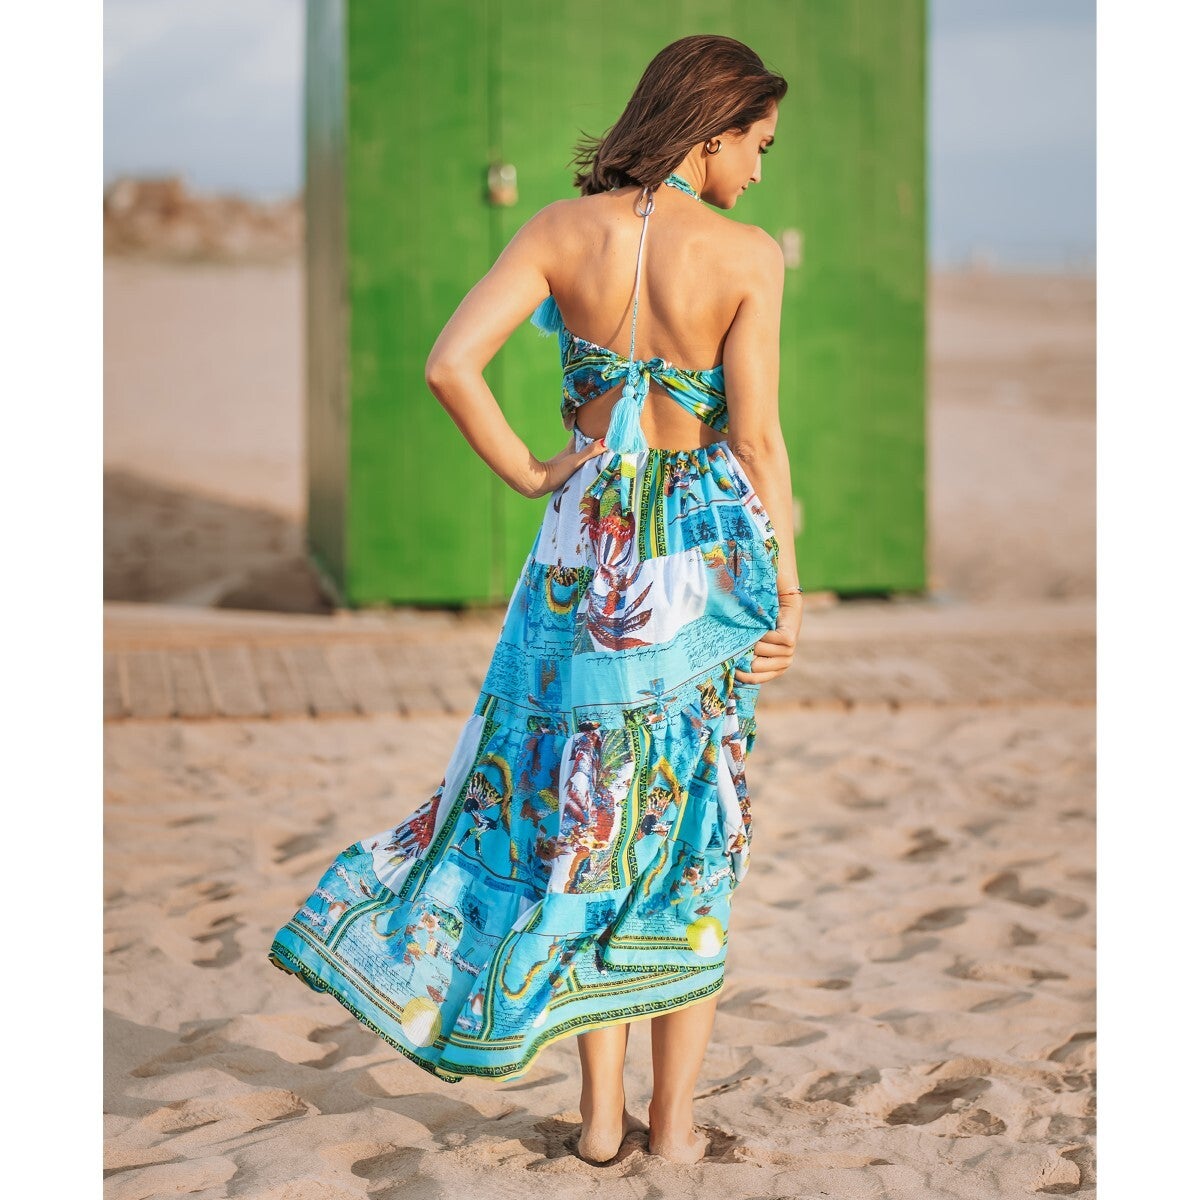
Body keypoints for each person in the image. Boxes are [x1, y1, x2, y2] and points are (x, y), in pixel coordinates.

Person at [268, 34, 802, 1167]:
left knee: (581, 821)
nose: (760, 168)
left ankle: (600, 1121)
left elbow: (449, 363)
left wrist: (525, 469)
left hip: (580, 550)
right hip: (696, 564)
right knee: (688, 832)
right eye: (757, 143)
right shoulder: (748, 256)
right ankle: (675, 1126)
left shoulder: (562, 231)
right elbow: (755, 439)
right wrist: (790, 591)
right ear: (712, 132)